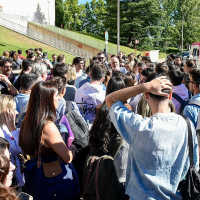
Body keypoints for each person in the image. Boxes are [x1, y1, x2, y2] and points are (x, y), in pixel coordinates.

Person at [105, 73, 199, 199]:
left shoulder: (138, 127)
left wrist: (144, 86)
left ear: (146, 95)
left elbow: (110, 99)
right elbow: (195, 164)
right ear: (170, 95)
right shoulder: (187, 125)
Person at [19, 81, 78, 199]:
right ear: (47, 99)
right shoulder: (47, 126)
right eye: (56, 96)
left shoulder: (27, 121)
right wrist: (72, 150)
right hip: (52, 181)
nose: (59, 98)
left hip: (35, 175)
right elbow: (67, 158)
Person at [0, 95, 24, 188]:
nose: (17, 112)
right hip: (7, 180)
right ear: (5, 112)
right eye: (13, 110)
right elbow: (20, 148)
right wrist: (13, 128)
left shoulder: (3, 126)